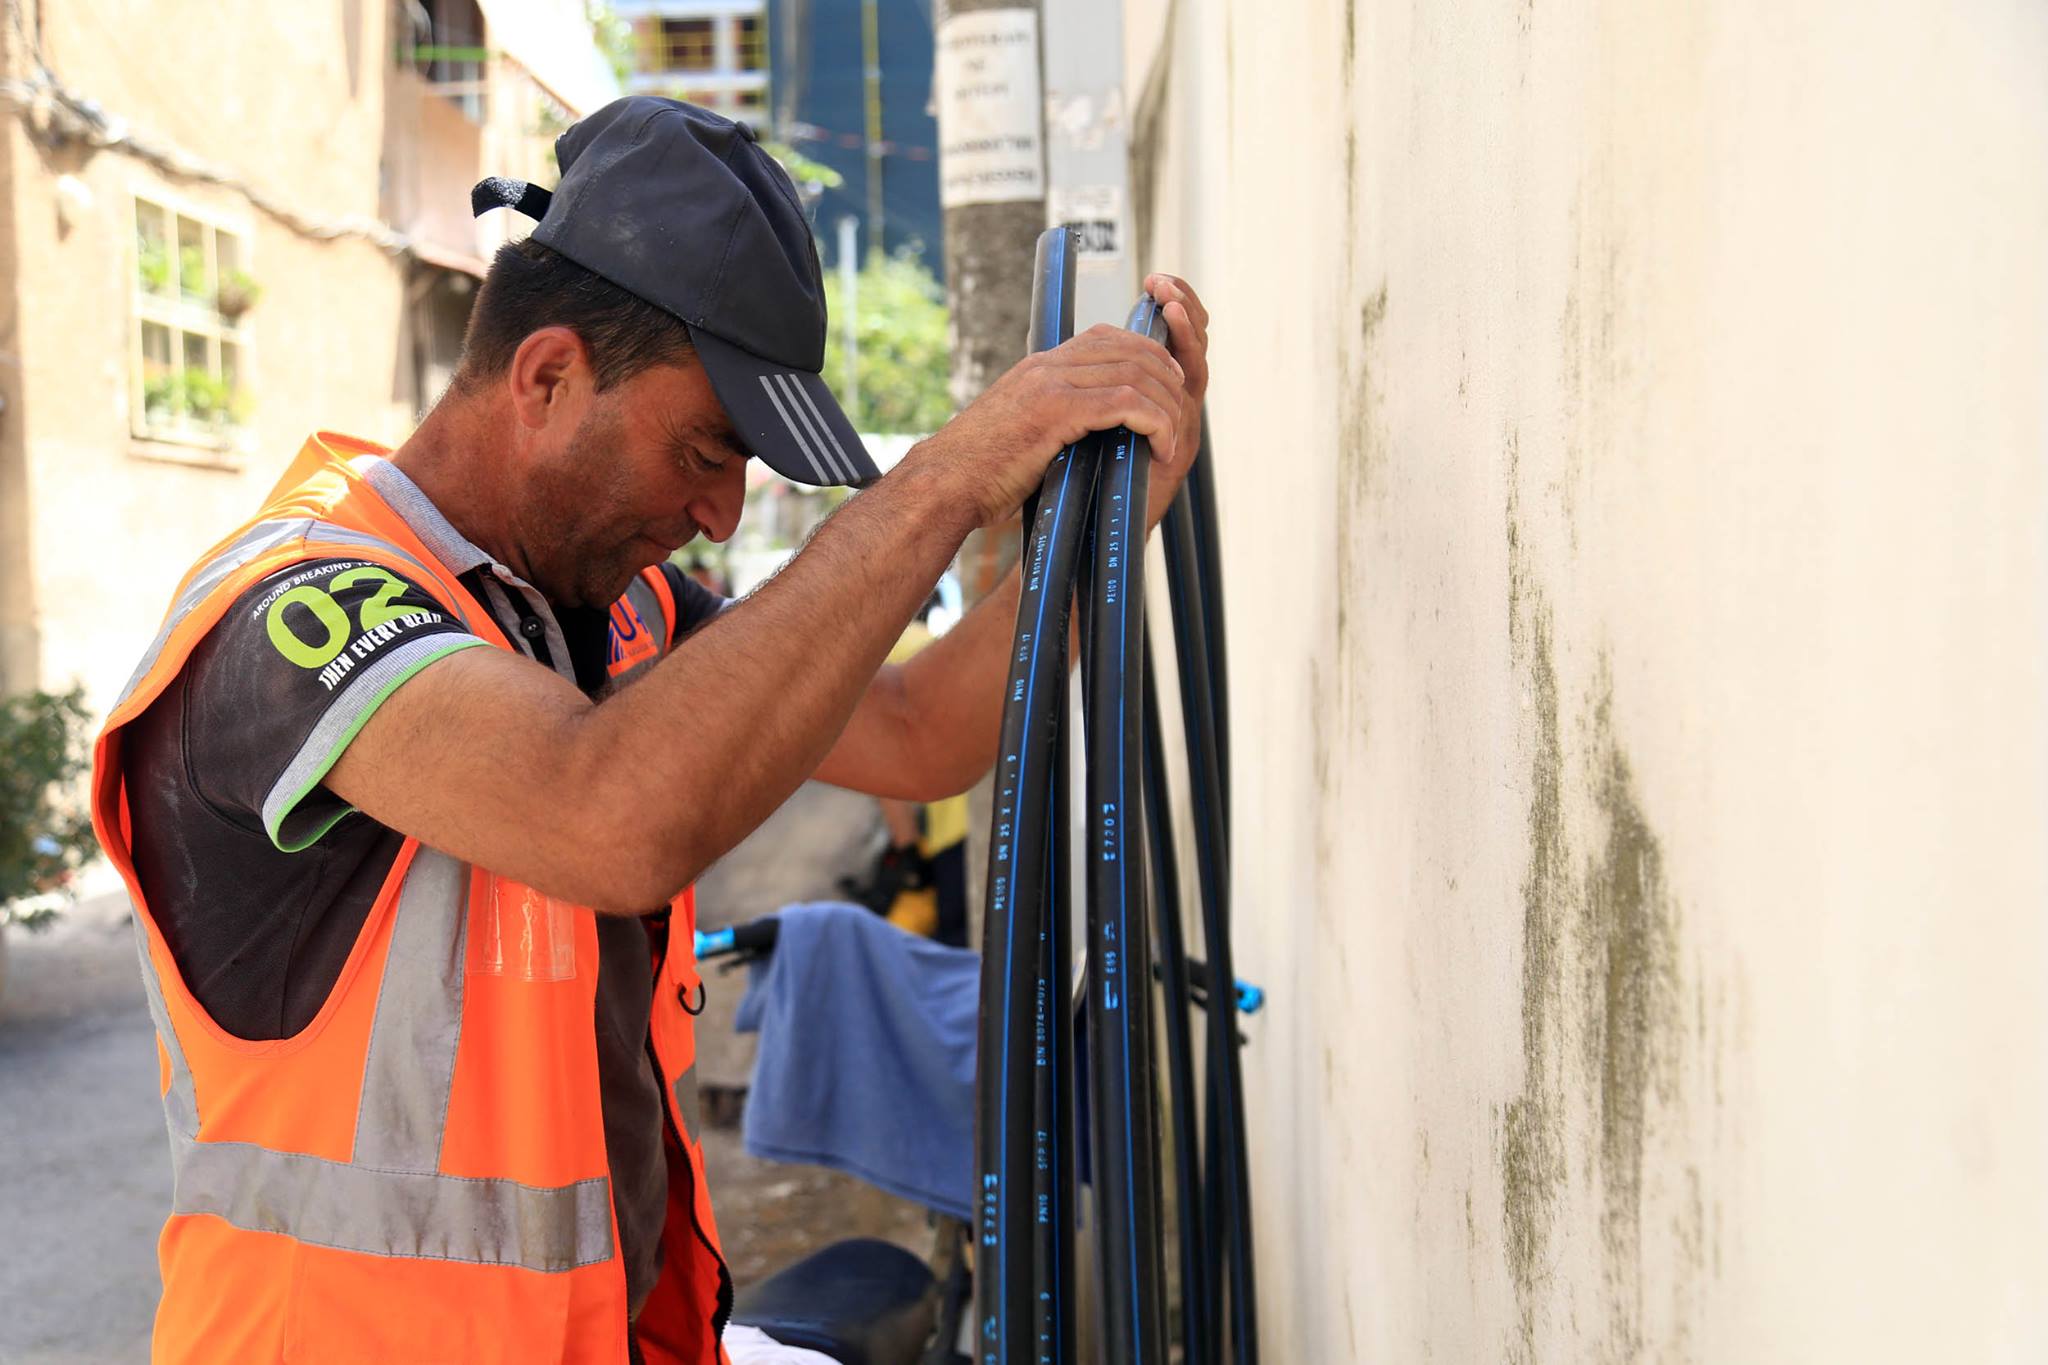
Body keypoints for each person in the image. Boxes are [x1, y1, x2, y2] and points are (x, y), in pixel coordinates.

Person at [89, 96, 1209, 1364]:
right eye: (704, 450)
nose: (721, 516)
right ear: (547, 378)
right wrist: (946, 478)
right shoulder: (300, 612)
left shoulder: (612, 609)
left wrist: (1109, 527)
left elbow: (914, 731)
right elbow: (603, 816)